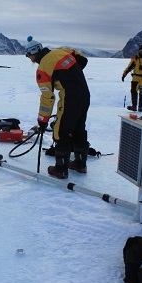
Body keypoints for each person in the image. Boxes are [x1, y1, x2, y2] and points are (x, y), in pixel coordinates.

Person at [25, 36, 90, 179]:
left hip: (70, 98)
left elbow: (47, 98)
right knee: (79, 128)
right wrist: (72, 74)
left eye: (28, 55)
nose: (29, 59)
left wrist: (42, 121)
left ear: (34, 53)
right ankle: (80, 164)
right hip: (84, 94)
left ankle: (60, 169)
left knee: (61, 131)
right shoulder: (62, 51)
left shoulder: (43, 69)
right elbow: (83, 59)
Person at [122, 44, 142, 112]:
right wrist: (124, 74)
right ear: (138, 50)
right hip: (135, 77)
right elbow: (129, 67)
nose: (141, 51)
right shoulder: (135, 58)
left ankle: (140, 107)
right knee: (133, 91)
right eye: (140, 50)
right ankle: (134, 106)